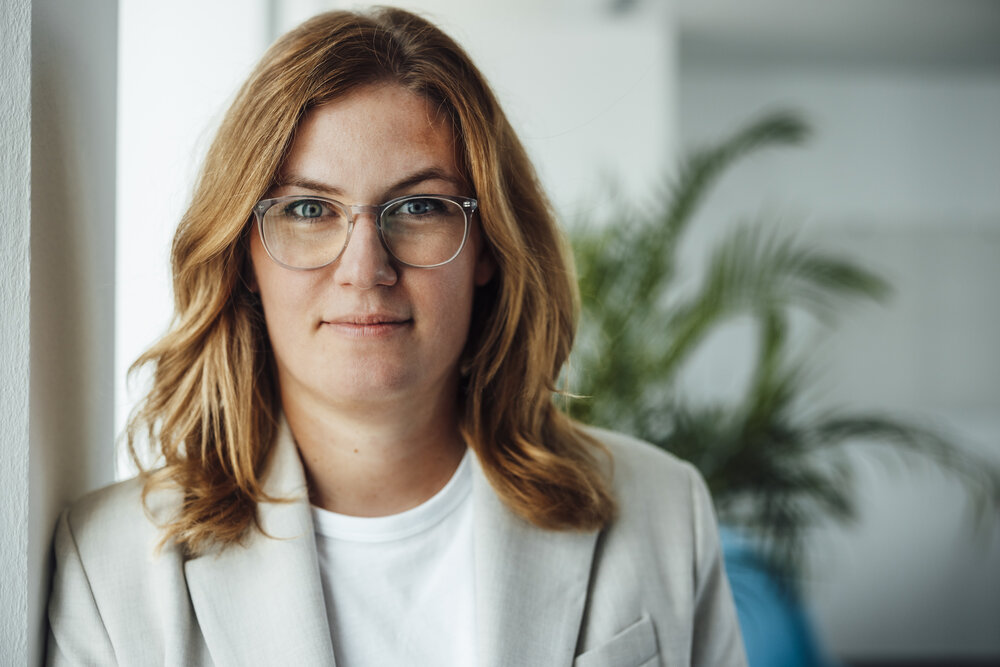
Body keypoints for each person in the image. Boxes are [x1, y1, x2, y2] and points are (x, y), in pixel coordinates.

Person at [46, 7, 747, 666]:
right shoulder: (112, 567)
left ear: (488, 250)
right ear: (245, 257)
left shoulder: (665, 513)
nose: (364, 268)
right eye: (310, 208)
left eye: (418, 206)